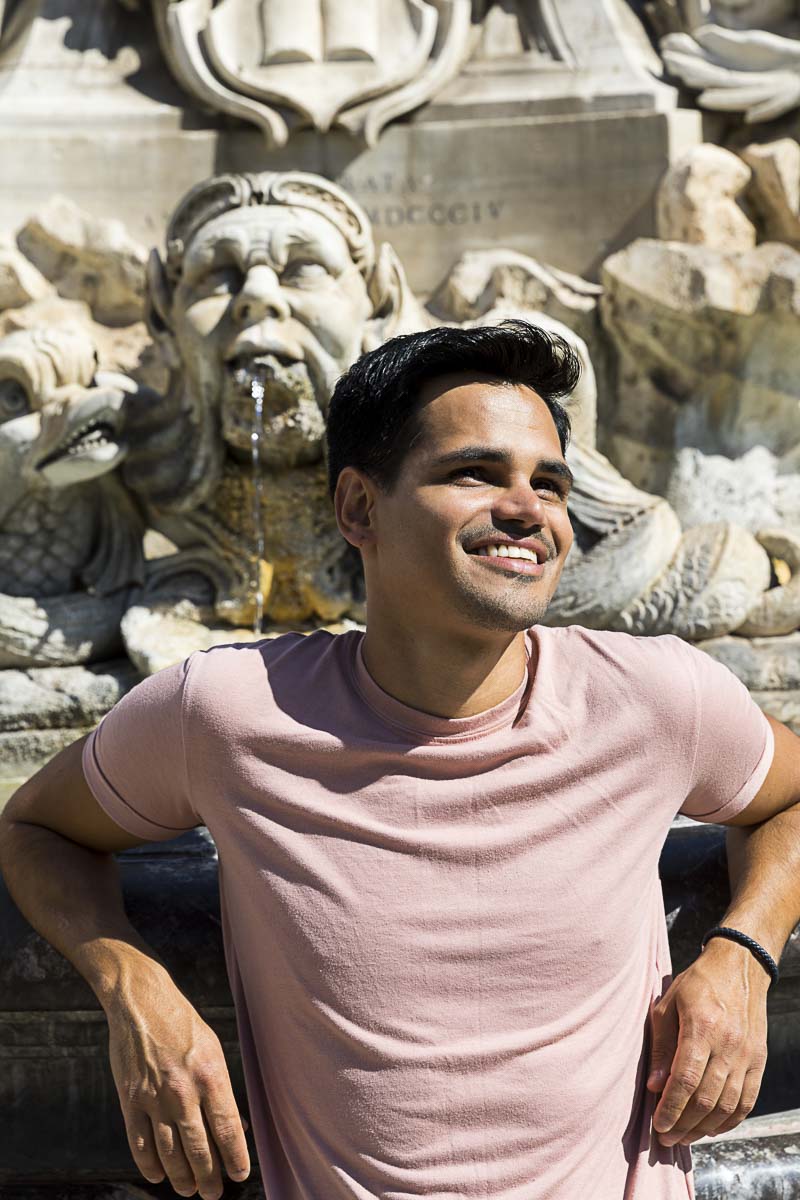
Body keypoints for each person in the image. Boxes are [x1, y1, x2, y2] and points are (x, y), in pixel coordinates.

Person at [2, 319, 799, 1200]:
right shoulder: (225, 713)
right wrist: (132, 989)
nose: (528, 510)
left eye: (550, 484)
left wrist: (741, 956)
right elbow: (36, 828)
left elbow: (792, 799)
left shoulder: (656, 699)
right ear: (357, 508)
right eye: (475, 473)